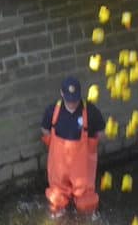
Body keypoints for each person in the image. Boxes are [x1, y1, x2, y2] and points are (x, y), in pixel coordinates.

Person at [41, 76, 105, 215]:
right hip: (59, 167)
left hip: (82, 169)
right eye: (69, 100)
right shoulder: (52, 111)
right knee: (56, 200)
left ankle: (87, 224)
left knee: (86, 202)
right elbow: (45, 130)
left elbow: (101, 132)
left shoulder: (90, 111)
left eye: (75, 100)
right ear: (62, 93)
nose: (72, 103)